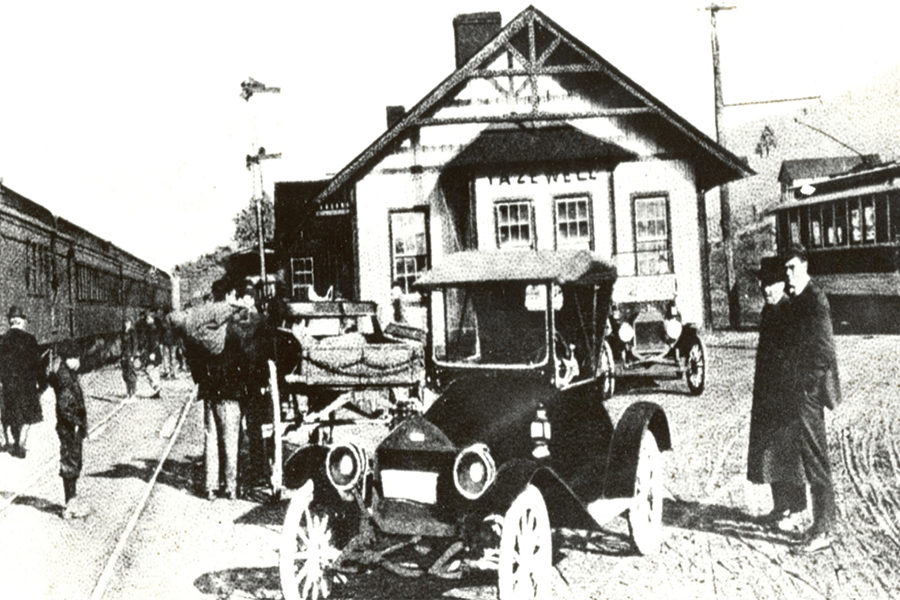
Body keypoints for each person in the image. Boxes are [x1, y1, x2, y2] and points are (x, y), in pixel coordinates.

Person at [782, 243, 842, 553]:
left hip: (808, 394)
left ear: (805, 265)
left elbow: (825, 350)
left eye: (792, 267)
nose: (788, 274)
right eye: (785, 269)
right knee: (808, 457)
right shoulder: (798, 299)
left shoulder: (815, 299)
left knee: (816, 459)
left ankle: (825, 529)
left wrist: (808, 385)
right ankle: (820, 525)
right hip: (800, 392)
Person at [747, 256, 806, 527]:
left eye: (771, 284)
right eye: (763, 284)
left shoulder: (790, 311)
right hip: (768, 394)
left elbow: (796, 357)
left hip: (787, 396)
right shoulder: (768, 312)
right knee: (770, 453)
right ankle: (780, 505)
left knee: (790, 453)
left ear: (782, 284)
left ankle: (798, 509)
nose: (766, 290)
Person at [48, 340, 90, 519]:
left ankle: (72, 501)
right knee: (71, 462)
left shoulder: (66, 373)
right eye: (76, 358)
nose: (79, 361)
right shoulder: (65, 378)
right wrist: (76, 423)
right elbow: (65, 406)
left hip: (70, 427)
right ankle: (70, 505)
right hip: (69, 427)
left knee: (72, 461)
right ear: (69, 358)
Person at [0, 306, 45, 458]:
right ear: (20, 321)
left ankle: (10, 441)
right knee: (28, 417)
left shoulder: (3, 340)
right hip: (27, 387)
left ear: (10, 321)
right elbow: (38, 365)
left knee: (10, 415)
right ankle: (21, 443)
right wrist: (42, 383)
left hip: (9, 386)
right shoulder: (30, 340)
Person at [136, 311, 163, 398]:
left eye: (148, 318)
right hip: (151, 352)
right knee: (152, 370)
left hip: (153, 353)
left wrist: (153, 353)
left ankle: (157, 387)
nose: (146, 320)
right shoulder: (149, 328)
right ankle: (157, 389)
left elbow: (155, 342)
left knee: (150, 370)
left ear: (152, 319)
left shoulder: (153, 329)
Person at [120, 317, 139, 401]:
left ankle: (133, 394)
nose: (126, 324)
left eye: (128, 322)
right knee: (125, 375)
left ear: (130, 323)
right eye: (125, 322)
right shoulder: (122, 333)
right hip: (124, 355)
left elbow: (135, 345)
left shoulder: (132, 333)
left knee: (131, 374)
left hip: (129, 355)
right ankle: (128, 393)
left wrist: (133, 356)